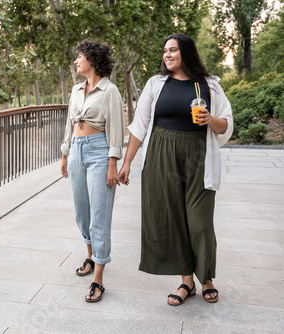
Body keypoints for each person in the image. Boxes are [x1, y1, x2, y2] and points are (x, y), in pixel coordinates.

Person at [117, 33, 233, 306]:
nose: (167, 55)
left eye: (172, 50)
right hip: (161, 157)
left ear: (186, 53)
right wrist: (126, 162)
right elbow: (139, 125)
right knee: (172, 220)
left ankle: (207, 278)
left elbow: (226, 125)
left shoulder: (209, 86)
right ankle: (186, 283)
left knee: (200, 222)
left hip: (198, 158)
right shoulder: (156, 84)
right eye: (165, 51)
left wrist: (211, 119)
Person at [60, 38, 125, 303]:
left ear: (93, 60)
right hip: (76, 150)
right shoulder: (76, 90)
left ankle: (98, 279)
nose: (76, 61)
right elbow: (69, 123)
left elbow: (116, 130)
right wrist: (65, 153)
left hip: (100, 152)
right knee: (82, 212)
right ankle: (89, 255)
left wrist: (113, 162)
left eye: (80, 57)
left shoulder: (110, 91)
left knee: (99, 215)